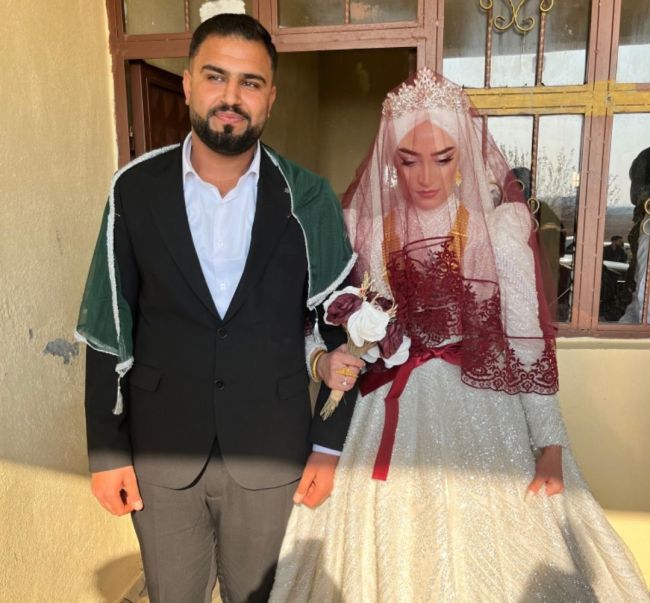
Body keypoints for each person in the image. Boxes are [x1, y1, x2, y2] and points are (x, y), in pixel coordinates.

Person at [270, 69, 649, 602]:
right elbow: (327, 323)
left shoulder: (499, 233)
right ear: (391, 160)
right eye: (409, 160)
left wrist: (549, 446)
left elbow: (526, 346)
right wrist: (324, 372)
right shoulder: (368, 232)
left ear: (464, 157)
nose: (426, 176)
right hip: (386, 412)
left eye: (443, 158)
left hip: (484, 409)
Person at [76, 13, 363, 603]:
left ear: (270, 97)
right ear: (187, 84)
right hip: (160, 449)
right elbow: (110, 323)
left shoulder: (308, 197)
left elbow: (342, 328)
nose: (231, 97)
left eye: (250, 82)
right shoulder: (135, 189)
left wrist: (328, 445)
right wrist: (106, 451)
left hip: (270, 450)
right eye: (215, 77)